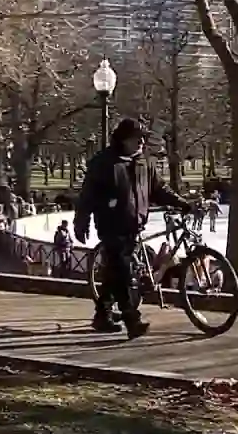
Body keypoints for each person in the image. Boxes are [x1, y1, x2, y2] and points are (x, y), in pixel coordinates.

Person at [75, 118, 192, 339]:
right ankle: (132, 319)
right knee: (125, 270)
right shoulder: (104, 163)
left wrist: (182, 203)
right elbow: (87, 195)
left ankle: (103, 315)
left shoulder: (144, 162)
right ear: (123, 139)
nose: (141, 142)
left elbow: (159, 189)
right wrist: (81, 221)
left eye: (143, 139)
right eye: (136, 138)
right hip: (111, 224)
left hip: (134, 224)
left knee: (115, 272)